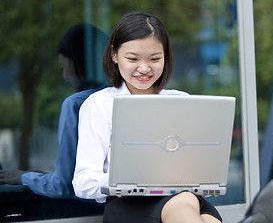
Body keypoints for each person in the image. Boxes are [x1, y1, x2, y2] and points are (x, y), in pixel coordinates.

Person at [72, 11, 223, 223]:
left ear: (165, 56)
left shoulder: (181, 101)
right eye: (133, 59)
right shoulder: (99, 105)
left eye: (154, 59)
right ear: (114, 55)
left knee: (190, 202)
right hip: (128, 203)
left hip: (183, 197)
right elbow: (82, 182)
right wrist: (129, 181)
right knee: (191, 208)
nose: (144, 68)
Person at [0, 23, 108, 198]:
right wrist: (42, 176)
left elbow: (63, 186)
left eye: (63, 67)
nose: (65, 77)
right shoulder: (125, 97)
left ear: (78, 62)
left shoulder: (76, 104)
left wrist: (23, 177)